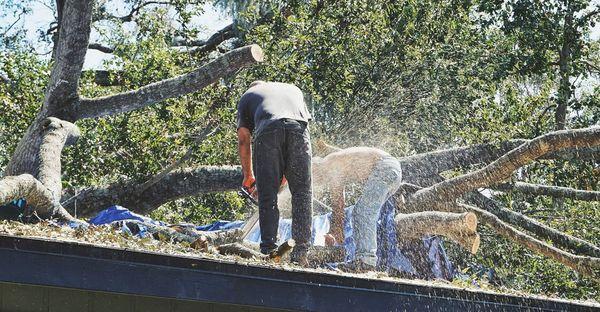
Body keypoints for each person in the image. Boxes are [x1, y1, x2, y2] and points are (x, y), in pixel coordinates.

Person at [279, 146, 402, 271]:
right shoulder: (334, 165)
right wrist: (335, 230)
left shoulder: (329, 163)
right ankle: (365, 258)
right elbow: (339, 205)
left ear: (314, 169)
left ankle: (366, 261)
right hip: (391, 170)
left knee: (363, 212)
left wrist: (337, 228)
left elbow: (338, 202)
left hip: (385, 168)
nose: (318, 183)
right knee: (361, 212)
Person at [236, 80, 313, 264]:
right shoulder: (293, 89)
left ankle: (269, 250)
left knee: (267, 195)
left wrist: (248, 176)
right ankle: (301, 251)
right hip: (299, 131)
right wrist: (286, 171)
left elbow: (244, 139)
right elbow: (294, 131)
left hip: (268, 130)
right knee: (302, 194)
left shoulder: (248, 96)